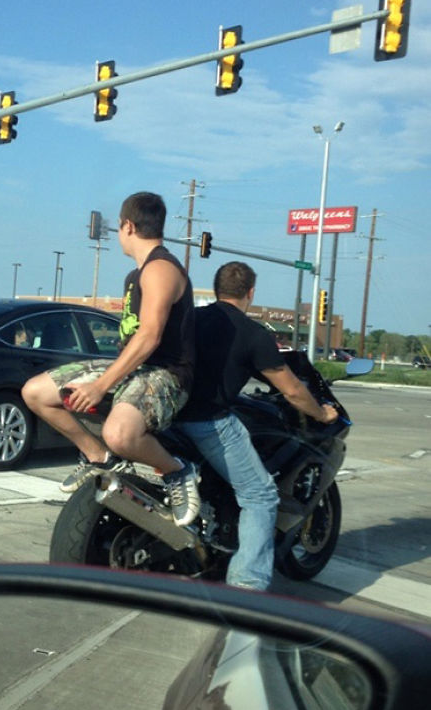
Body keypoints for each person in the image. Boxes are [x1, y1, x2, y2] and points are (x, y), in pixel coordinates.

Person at [22, 191, 198, 525]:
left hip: (167, 374)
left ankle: (177, 471)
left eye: (119, 228)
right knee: (35, 392)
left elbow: (149, 336)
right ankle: (98, 457)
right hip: (134, 370)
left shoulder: (161, 268)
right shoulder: (135, 276)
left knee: (119, 433)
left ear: (128, 226)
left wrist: (101, 385)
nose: (119, 234)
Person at [178, 261, 339, 590]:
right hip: (207, 421)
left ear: (218, 288)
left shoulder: (191, 319)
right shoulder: (252, 334)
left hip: (170, 416)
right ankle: (248, 585)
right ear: (250, 292)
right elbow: (293, 390)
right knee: (261, 495)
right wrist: (322, 413)